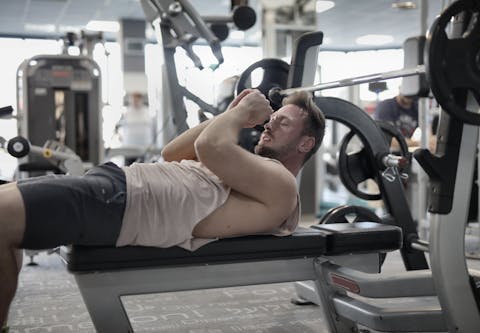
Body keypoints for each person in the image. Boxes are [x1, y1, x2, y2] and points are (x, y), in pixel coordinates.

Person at [0, 89, 325, 329]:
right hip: (114, 188)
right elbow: (172, 153)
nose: (269, 125)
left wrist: (237, 118)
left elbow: (209, 146)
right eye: (272, 118)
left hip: (120, 204)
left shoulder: (282, 185)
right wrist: (234, 110)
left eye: (282, 123)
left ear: (305, 144)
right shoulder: (252, 168)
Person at [115, 92, 155, 165]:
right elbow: (117, 127)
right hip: (129, 149)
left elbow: (152, 129)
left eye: (137, 98)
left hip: (143, 148)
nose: (135, 101)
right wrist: (120, 137)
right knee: (128, 171)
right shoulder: (126, 112)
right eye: (134, 98)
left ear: (141, 99)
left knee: (143, 170)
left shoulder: (146, 112)